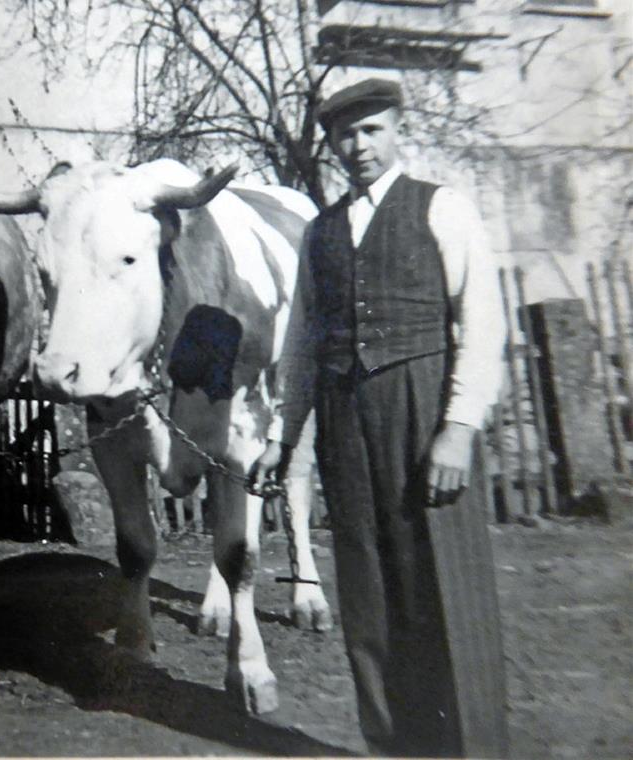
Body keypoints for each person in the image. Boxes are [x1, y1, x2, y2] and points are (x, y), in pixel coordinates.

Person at [251, 78, 510, 758]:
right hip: (345, 419)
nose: (358, 146)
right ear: (332, 143)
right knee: (367, 591)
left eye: (372, 131)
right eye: (345, 134)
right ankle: (394, 745)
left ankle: (470, 747)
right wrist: (284, 433)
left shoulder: (441, 208)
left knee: (441, 584)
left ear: (397, 130)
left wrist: (458, 426)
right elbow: (303, 343)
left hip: (423, 410)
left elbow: (481, 320)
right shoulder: (320, 231)